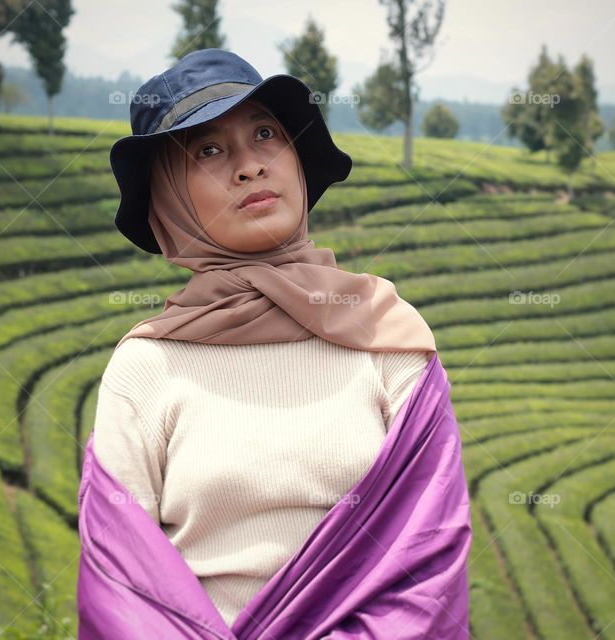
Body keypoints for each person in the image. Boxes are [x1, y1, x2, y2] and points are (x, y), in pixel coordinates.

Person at [78, 48, 471, 638]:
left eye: (265, 134)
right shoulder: (146, 369)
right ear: (169, 195)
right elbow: (122, 592)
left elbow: (426, 569)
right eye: (208, 150)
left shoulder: (386, 337)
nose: (249, 166)